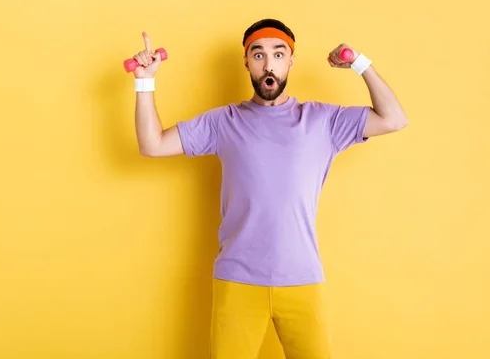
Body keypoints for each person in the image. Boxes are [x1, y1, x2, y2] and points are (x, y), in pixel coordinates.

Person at [130, 18, 408, 359]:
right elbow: (152, 145)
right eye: (258, 55)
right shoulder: (224, 121)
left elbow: (394, 118)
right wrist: (145, 83)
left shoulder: (323, 121)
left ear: (290, 61)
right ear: (246, 62)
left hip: (303, 279)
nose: (268, 64)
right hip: (237, 280)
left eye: (278, 54)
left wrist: (359, 64)